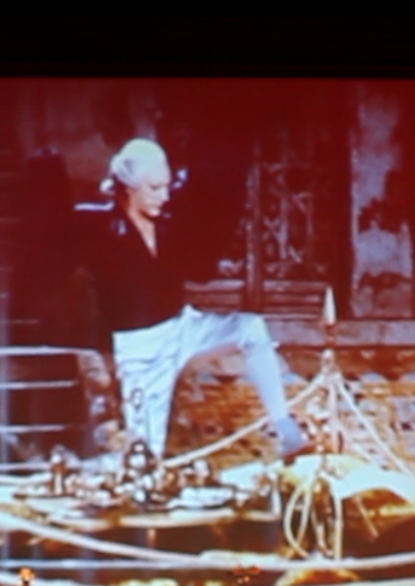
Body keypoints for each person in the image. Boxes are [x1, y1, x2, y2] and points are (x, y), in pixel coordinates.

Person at [77, 137, 306, 459]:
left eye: (166, 187)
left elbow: (197, 266)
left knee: (251, 328)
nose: (164, 196)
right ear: (130, 187)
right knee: (146, 453)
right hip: (142, 350)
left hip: (184, 327)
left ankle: (285, 427)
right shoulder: (98, 226)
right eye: (155, 188)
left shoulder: (168, 224)